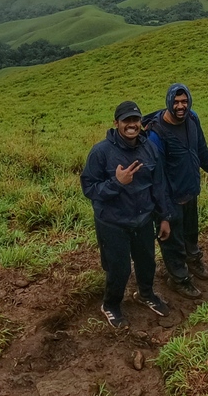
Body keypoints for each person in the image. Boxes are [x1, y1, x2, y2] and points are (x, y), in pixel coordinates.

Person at [80, 101, 173, 328]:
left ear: (140, 123)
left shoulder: (149, 148)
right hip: (112, 222)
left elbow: (158, 184)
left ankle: (145, 294)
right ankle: (110, 305)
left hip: (142, 219)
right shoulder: (101, 152)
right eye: (126, 121)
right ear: (116, 123)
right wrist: (117, 183)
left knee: (146, 262)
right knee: (118, 268)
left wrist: (164, 217)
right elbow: (89, 188)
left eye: (135, 120)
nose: (131, 125)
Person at [144, 83, 208, 300]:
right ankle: (179, 279)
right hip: (169, 198)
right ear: (168, 102)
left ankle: (193, 260)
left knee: (191, 232)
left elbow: (201, 149)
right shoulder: (156, 134)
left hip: (190, 190)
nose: (181, 106)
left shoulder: (192, 119)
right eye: (176, 102)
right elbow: (157, 178)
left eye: (184, 101)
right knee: (172, 240)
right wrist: (163, 212)